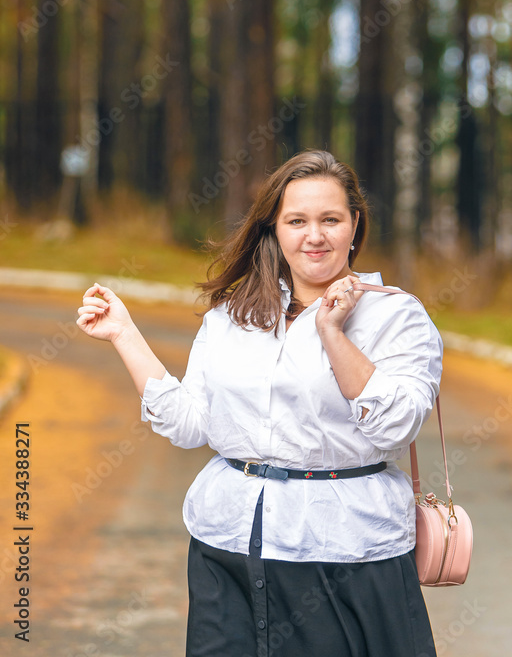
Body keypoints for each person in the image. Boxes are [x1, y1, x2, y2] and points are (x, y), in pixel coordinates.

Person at [76, 148, 443, 657]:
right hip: (228, 548)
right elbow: (189, 424)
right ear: (275, 227)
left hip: (346, 554)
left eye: (330, 219)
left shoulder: (396, 316)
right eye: (297, 220)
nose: (313, 235)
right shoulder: (233, 315)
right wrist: (124, 334)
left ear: (354, 226)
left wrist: (333, 333)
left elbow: (396, 427)